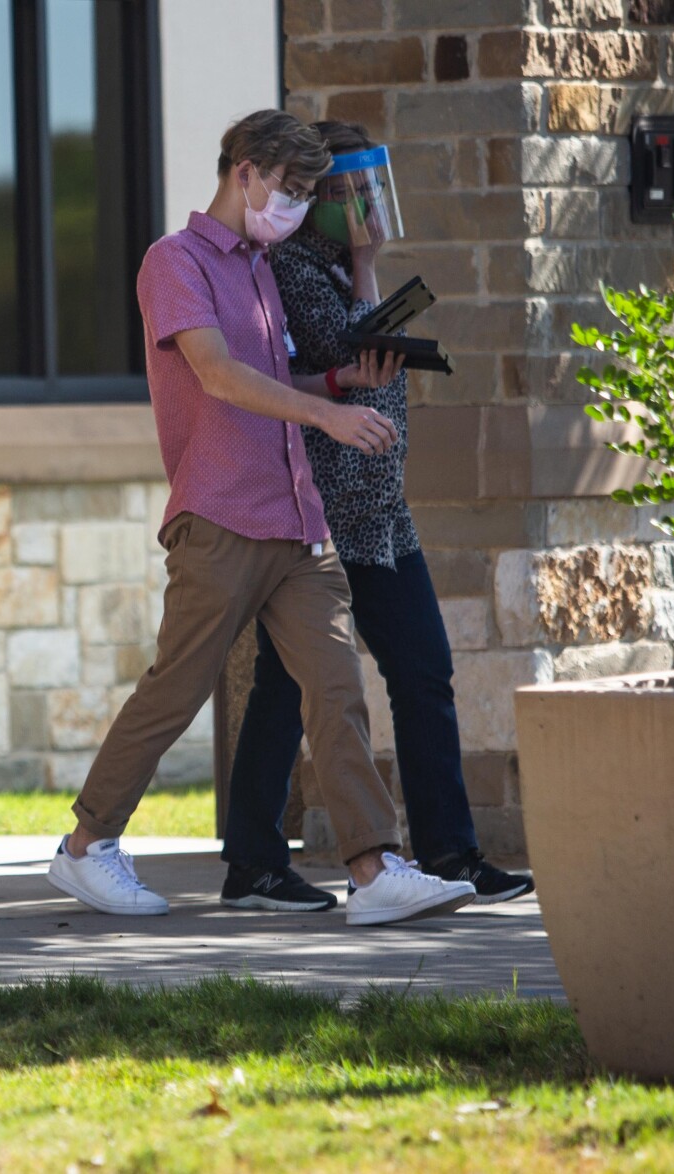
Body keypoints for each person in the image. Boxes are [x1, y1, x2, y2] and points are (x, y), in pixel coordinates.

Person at [46, 109, 477, 927]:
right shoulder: (172, 263)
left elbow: (279, 385)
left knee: (337, 686)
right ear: (243, 170)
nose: (292, 206)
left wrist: (339, 389)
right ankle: (85, 848)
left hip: (295, 517)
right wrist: (329, 420)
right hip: (220, 516)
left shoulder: (260, 267)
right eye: (288, 189)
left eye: (305, 194)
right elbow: (217, 375)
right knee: (176, 687)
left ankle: (374, 866)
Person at [218, 121, 533, 911]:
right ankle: (253, 863)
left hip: (384, 515)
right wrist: (365, 267)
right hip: (323, 512)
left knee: (424, 673)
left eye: (369, 189)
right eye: (348, 193)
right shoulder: (289, 267)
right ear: (317, 198)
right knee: (288, 693)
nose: (363, 205)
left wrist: (366, 265)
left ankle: (451, 855)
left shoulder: (336, 264)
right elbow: (341, 351)